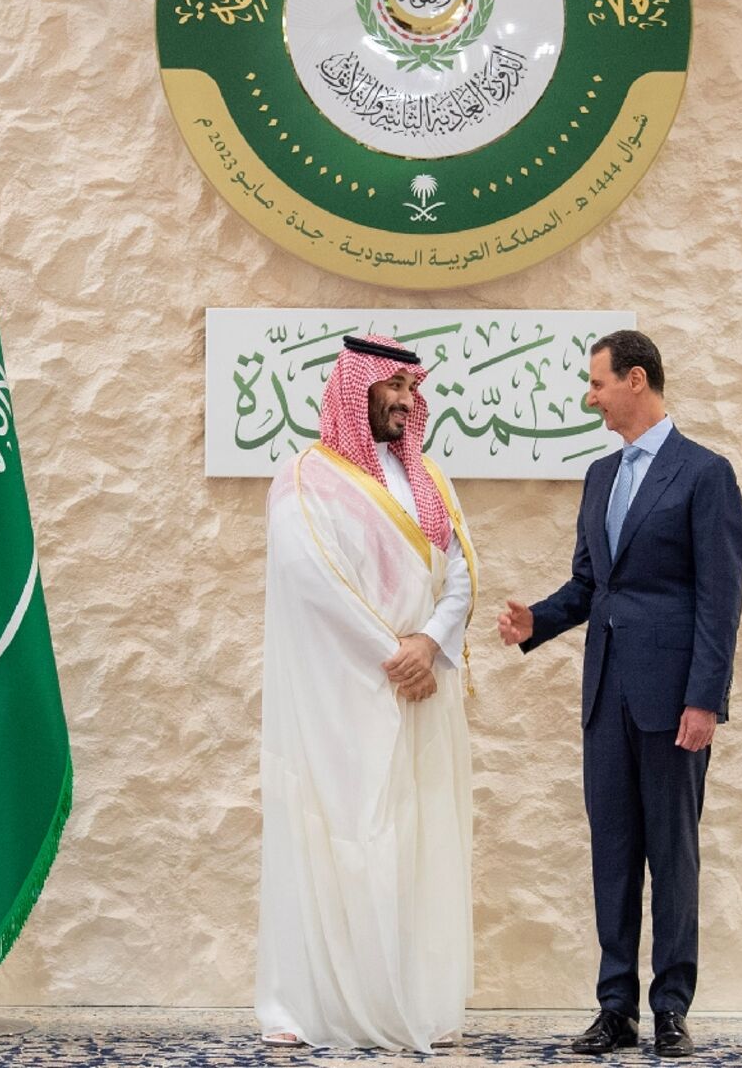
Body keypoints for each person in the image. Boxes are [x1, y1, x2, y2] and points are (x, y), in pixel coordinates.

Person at [498, 330, 742, 1059]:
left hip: (674, 704)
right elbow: (591, 586)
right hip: (605, 698)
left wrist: (705, 699)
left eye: (598, 383)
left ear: (636, 380)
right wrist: (535, 621)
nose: (590, 396)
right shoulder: (601, 477)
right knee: (613, 855)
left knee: (673, 856)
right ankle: (616, 1010)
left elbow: (719, 600)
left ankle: (670, 1008)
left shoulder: (706, 474)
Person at [255, 334, 477, 1051]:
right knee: (336, 836)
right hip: (343, 696)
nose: (405, 402)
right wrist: (395, 653)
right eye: (392, 390)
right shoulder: (303, 479)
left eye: (411, 391)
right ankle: (305, 1008)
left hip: (418, 695)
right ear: (356, 391)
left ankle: (416, 1003)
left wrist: (431, 643)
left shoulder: (430, 480)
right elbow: (309, 580)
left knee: (417, 844)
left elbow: (461, 573)